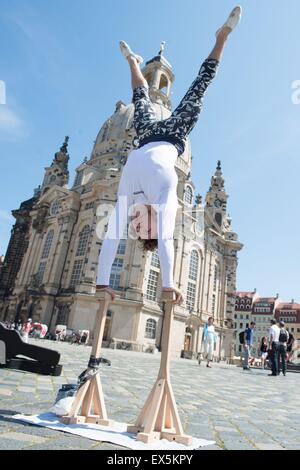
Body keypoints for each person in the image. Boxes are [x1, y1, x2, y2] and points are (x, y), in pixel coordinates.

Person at [96, 7, 242, 304]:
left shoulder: (126, 199)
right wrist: (168, 283)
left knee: (138, 96)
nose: (135, 225)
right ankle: (222, 36)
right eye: (140, 229)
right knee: (200, 87)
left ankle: (133, 62)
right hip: (173, 135)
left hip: (145, 137)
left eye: (134, 228)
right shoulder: (167, 202)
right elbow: (164, 240)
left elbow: (111, 235)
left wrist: (101, 283)